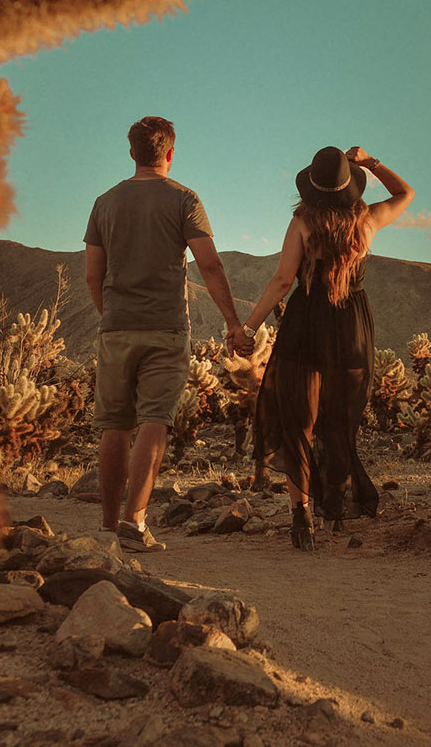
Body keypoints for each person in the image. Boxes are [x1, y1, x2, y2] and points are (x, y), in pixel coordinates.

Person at [232, 145, 413, 551]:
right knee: (339, 421)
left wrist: (248, 327)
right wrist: (372, 163)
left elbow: (282, 281)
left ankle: (302, 515)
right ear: (349, 186)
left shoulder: (302, 222)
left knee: (300, 420)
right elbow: (406, 195)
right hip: (351, 327)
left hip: (306, 323)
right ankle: (334, 510)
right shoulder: (365, 220)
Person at [84, 117, 245, 552]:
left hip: (116, 326)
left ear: (132, 152)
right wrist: (232, 321)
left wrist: (112, 314)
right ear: (169, 154)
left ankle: (107, 527)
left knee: (114, 426)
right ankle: (135, 524)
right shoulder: (184, 199)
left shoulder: (104, 203)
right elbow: (210, 266)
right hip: (167, 328)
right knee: (154, 419)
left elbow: (92, 275)